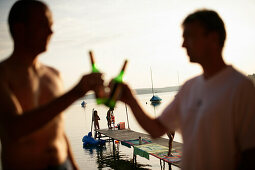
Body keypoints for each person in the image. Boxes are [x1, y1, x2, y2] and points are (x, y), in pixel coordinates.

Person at [119, 9, 255, 170]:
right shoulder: (189, 87)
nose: (183, 44)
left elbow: (250, 155)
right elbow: (156, 129)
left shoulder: (241, 87)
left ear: (213, 38)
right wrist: (131, 101)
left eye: (189, 37)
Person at [0, 1, 104, 170]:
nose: (50, 31)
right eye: (43, 25)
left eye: (51, 26)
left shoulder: (54, 75)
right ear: (20, 29)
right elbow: (14, 128)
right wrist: (76, 92)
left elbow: (58, 129)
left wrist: (74, 165)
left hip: (63, 165)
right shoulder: (3, 74)